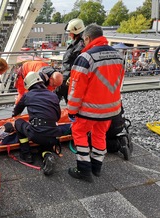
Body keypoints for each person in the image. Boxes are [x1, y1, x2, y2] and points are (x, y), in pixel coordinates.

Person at [67, 24, 125, 183]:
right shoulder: (119, 55)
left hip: (89, 110)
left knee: (79, 133)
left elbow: (75, 89)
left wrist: (71, 111)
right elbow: (119, 83)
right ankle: (96, 167)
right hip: (111, 109)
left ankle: (83, 170)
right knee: (99, 134)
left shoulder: (85, 58)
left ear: (87, 38)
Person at [12, 72, 69, 176]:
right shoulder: (53, 95)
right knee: (45, 141)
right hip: (54, 135)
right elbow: (57, 117)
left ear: (29, 84)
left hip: (36, 134)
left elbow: (16, 112)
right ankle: (47, 155)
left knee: (18, 122)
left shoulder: (27, 95)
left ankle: (26, 154)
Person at [56, 18, 85, 103]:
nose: (69, 35)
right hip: (68, 77)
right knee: (68, 99)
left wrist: (68, 77)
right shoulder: (77, 44)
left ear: (76, 32)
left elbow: (75, 64)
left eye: (70, 32)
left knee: (56, 96)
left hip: (68, 77)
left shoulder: (80, 47)